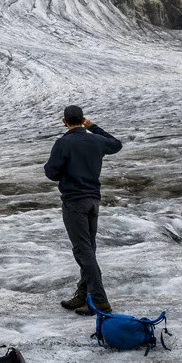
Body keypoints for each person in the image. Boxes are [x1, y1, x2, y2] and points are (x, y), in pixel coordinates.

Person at [43, 105, 123, 315]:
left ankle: (99, 301)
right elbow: (116, 144)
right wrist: (93, 127)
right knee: (89, 248)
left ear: (64, 121)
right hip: (93, 200)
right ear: (82, 119)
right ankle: (83, 295)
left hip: (74, 201)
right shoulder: (96, 140)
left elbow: (51, 172)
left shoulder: (63, 143)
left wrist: (65, 171)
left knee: (83, 250)